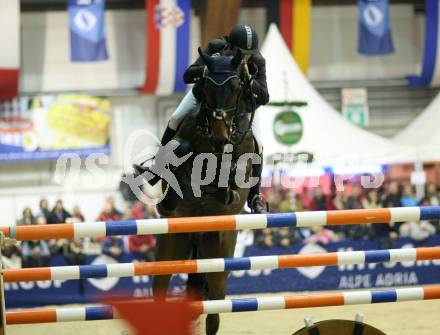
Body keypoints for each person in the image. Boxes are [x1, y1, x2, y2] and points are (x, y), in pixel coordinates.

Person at [139, 25, 269, 214]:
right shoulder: (216, 49)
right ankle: (157, 168)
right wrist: (207, 68)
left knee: (259, 143)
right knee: (175, 118)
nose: (247, 57)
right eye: (243, 53)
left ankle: (255, 197)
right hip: (205, 98)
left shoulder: (257, 61)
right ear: (231, 46)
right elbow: (188, 75)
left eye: (250, 53)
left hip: (241, 108)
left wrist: (249, 79)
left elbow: (264, 97)